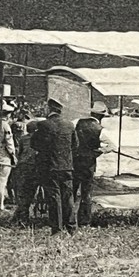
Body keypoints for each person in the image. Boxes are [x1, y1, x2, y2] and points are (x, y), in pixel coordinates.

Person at [31, 98, 79, 235]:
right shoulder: (69, 125)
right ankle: (72, 227)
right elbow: (75, 145)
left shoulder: (43, 125)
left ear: (49, 109)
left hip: (50, 167)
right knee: (68, 197)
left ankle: (57, 229)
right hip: (67, 167)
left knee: (54, 197)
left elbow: (34, 144)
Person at [73, 101, 116, 226]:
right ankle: (84, 221)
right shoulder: (100, 130)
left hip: (75, 161)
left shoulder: (77, 122)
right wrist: (100, 151)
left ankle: (68, 218)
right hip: (89, 163)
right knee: (86, 193)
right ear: (101, 116)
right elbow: (112, 146)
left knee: (72, 190)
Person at [12, 120, 39, 224]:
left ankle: (22, 216)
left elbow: (20, 153)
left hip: (23, 167)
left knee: (24, 192)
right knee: (31, 192)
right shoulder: (39, 139)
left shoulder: (23, 139)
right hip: (34, 167)